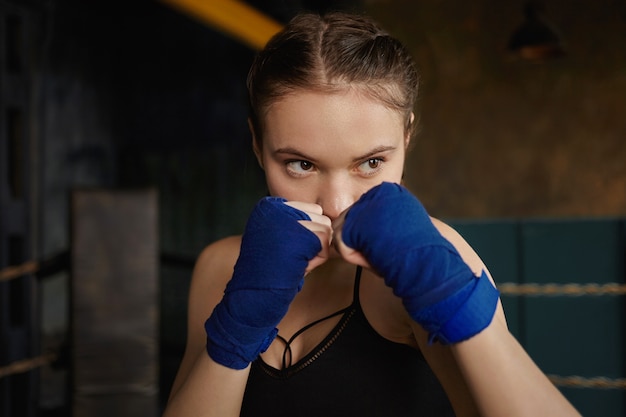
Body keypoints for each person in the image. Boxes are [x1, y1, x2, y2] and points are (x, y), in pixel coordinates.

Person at [163, 11, 581, 417]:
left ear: (406, 137)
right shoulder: (219, 267)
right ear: (257, 144)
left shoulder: (438, 254)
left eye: (371, 163)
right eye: (301, 165)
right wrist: (236, 329)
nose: (338, 203)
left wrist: (459, 306)